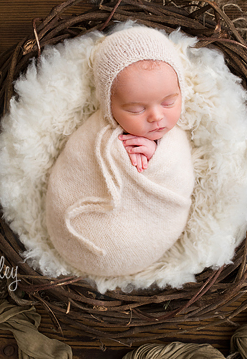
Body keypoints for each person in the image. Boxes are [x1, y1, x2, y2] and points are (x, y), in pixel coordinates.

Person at [43, 25, 195, 279]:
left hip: (148, 228)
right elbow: (73, 172)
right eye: (136, 109)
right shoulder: (94, 133)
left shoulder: (175, 139)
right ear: (109, 105)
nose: (157, 116)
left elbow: (180, 176)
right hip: (87, 229)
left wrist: (155, 156)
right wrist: (117, 155)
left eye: (169, 102)